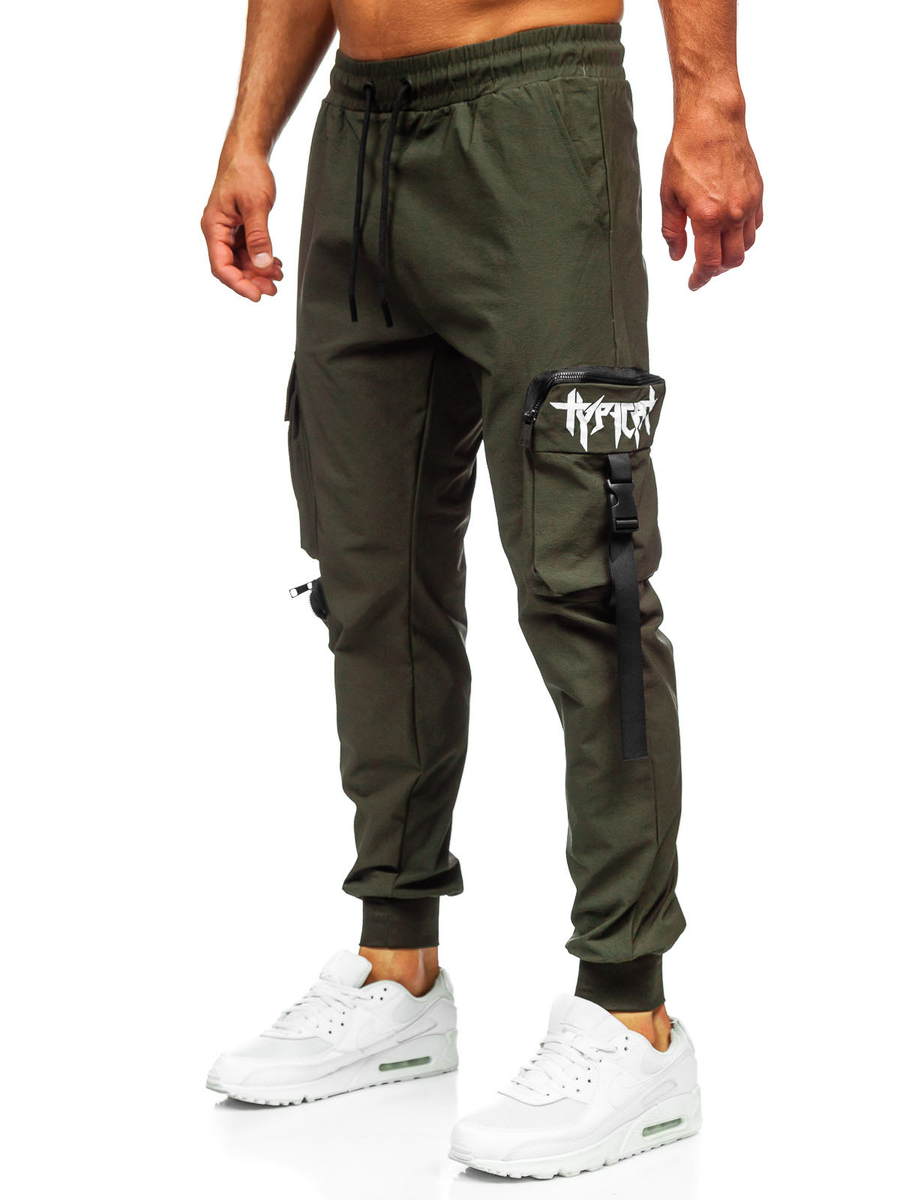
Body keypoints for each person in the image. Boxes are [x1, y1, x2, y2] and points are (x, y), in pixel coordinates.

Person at [201, 0, 762, 1179]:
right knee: (369, 573)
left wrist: (711, 102)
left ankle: (631, 1014)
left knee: (587, 576)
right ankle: (397, 966)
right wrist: (248, 134)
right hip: (358, 139)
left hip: (536, 113)